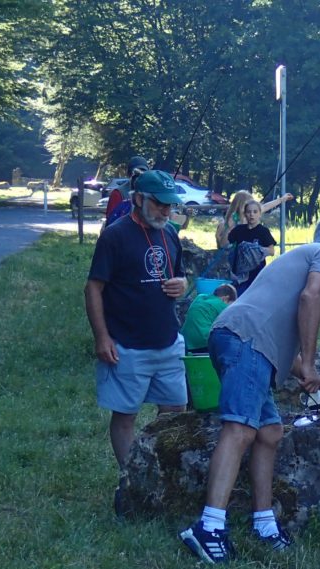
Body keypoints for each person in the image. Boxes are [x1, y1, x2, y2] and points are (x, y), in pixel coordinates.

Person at [179, 215, 320, 564]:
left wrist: (317, 377)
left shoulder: (301, 256)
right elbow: (310, 298)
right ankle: (209, 526)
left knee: (269, 431)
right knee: (240, 428)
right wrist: (309, 363)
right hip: (246, 341)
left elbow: (274, 334)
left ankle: (264, 522)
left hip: (239, 337)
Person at [84, 169, 188, 516]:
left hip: (167, 341)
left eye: (171, 205)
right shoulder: (115, 237)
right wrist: (102, 337)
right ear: (139, 199)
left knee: (175, 411)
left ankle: (164, 478)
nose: (166, 211)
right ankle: (133, 481)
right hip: (126, 344)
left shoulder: (170, 234)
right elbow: (93, 288)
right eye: (160, 204)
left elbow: (181, 275)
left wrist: (182, 285)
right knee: (126, 415)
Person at [227, 200, 277, 295]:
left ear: (259, 214)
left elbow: (271, 251)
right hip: (239, 274)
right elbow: (225, 244)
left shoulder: (263, 231)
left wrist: (254, 250)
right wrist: (228, 227)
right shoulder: (238, 230)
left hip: (257, 273)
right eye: (249, 212)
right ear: (245, 214)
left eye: (255, 212)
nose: (251, 215)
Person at [215, 190, 293, 248]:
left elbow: (265, 207)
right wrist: (228, 228)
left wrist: (282, 199)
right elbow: (223, 245)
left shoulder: (250, 214)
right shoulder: (229, 221)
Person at [180, 283, 237, 353]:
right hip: (204, 340)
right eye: (231, 304)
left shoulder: (199, 298)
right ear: (225, 298)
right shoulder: (222, 306)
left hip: (186, 340)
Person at [103, 155, 149, 227]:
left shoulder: (151, 192)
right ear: (129, 174)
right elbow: (111, 220)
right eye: (135, 174)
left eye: (142, 173)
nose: (139, 176)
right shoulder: (118, 193)